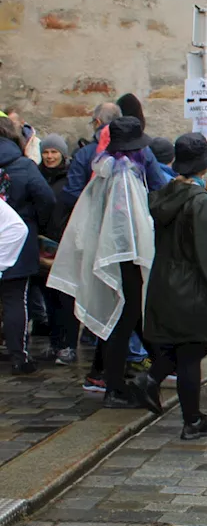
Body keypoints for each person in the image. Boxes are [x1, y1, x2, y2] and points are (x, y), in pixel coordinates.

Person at [47, 117, 151, 403]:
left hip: (116, 255)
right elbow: (127, 224)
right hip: (124, 257)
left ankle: (127, 378)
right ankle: (114, 387)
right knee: (123, 319)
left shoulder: (107, 169)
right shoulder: (123, 175)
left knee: (125, 318)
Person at [130, 133, 207, 439]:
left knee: (188, 347)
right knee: (193, 350)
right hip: (191, 286)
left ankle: (150, 380)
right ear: (205, 169)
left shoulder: (170, 191)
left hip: (165, 282)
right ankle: (192, 420)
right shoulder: (198, 202)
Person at [0, 119, 54, 375]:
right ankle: (18, 355)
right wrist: (36, 223)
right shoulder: (24, 165)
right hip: (18, 240)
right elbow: (46, 198)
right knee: (14, 298)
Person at [62, 101, 169, 206]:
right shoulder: (143, 150)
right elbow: (160, 187)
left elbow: (71, 193)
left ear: (97, 122)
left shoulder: (85, 153)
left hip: (94, 219)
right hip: (135, 217)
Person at [37, 134, 77, 365]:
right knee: (48, 296)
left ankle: (69, 345)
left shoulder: (71, 177)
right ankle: (55, 343)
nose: (50, 156)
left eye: (54, 152)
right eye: (46, 152)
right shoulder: (38, 175)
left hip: (65, 242)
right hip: (44, 244)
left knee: (66, 298)